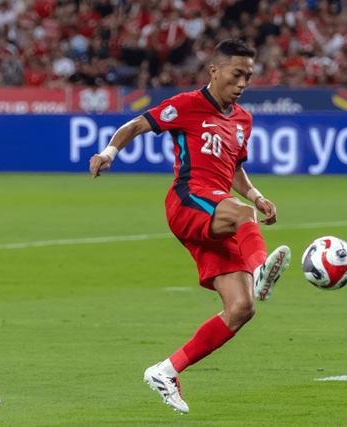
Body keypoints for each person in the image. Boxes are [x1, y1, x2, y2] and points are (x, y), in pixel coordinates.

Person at [88, 39, 291, 414]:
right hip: (189, 199)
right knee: (244, 215)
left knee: (243, 307)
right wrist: (107, 153)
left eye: (248, 76)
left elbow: (235, 170)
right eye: (237, 73)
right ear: (214, 71)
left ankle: (165, 371)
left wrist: (257, 196)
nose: (243, 83)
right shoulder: (186, 105)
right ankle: (263, 267)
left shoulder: (243, 120)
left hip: (219, 211)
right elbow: (135, 126)